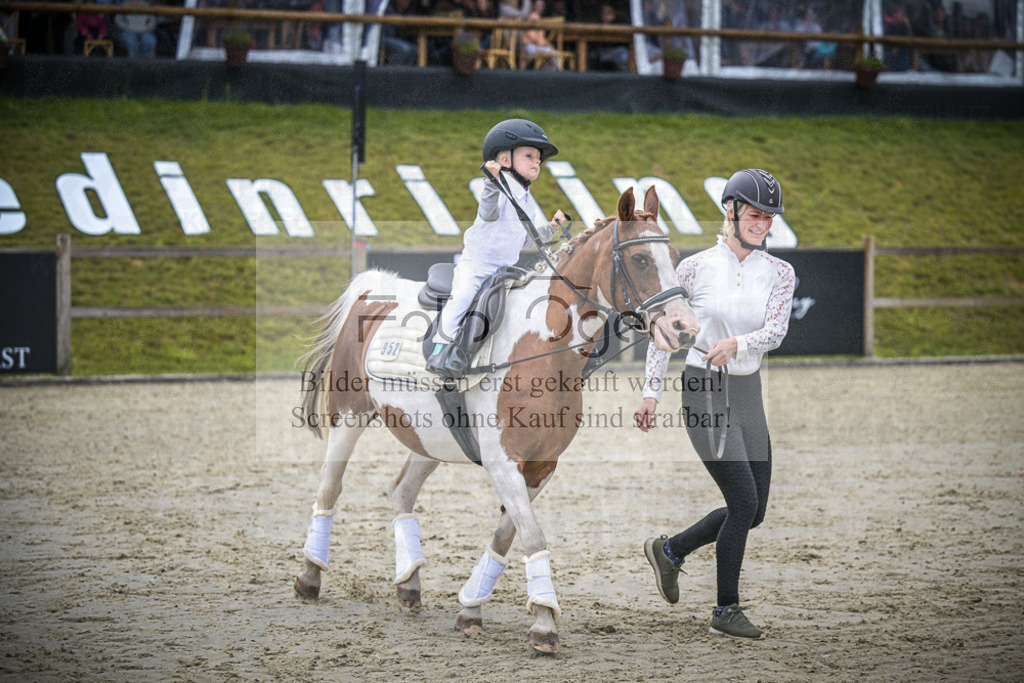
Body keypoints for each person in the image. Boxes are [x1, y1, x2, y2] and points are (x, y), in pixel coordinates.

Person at [634, 169, 795, 640]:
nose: (761, 223)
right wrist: (650, 392)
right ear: (730, 210)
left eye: (768, 217)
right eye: (753, 213)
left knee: (756, 509)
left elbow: (776, 332)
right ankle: (726, 610)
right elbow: (665, 335)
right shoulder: (693, 268)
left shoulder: (780, 273)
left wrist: (738, 343)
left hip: (747, 390)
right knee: (742, 502)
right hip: (704, 388)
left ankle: (671, 551)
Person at [426, 119, 568, 378]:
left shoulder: (527, 199)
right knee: (463, 297)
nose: (537, 162)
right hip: (476, 266)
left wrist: (554, 228)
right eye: (529, 156)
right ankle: (441, 349)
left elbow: (526, 241)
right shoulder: (495, 189)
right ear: (505, 160)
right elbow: (489, 214)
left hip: (505, 272)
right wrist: (491, 183)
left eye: (538, 158)